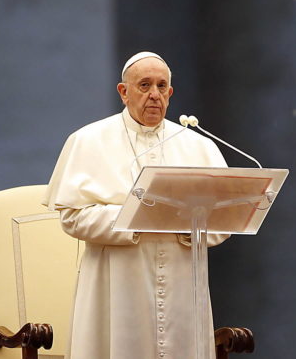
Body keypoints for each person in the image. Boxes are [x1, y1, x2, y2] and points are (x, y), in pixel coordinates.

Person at [43, 52, 229, 359]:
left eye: (161, 86)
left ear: (170, 93)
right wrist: (137, 218)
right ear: (123, 92)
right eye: (144, 85)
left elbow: (225, 219)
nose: (154, 94)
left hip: (183, 286)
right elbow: (73, 217)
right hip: (117, 284)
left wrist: (185, 226)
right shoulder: (89, 140)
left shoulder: (198, 145)